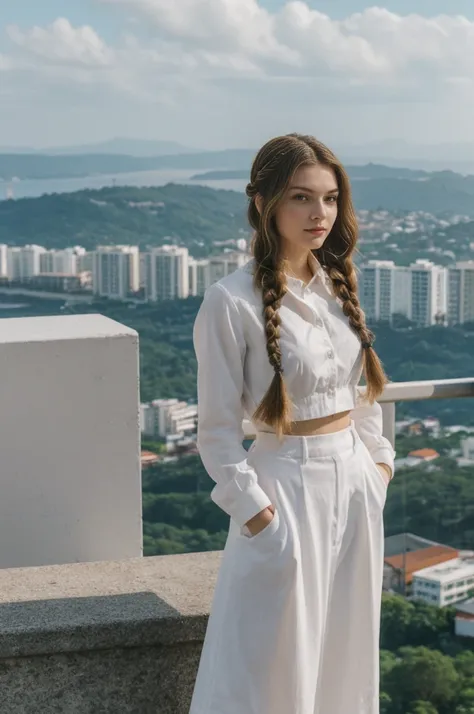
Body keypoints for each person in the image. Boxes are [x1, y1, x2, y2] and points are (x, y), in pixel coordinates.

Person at [189, 133, 395, 714]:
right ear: (264, 202)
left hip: (354, 483)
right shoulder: (229, 302)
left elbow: (361, 395)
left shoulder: (338, 287)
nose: (319, 214)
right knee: (269, 665)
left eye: (330, 199)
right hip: (284, 488)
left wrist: (379, 466)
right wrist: (258, 517)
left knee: (345, 657)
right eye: (302, 197)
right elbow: (218, 431)